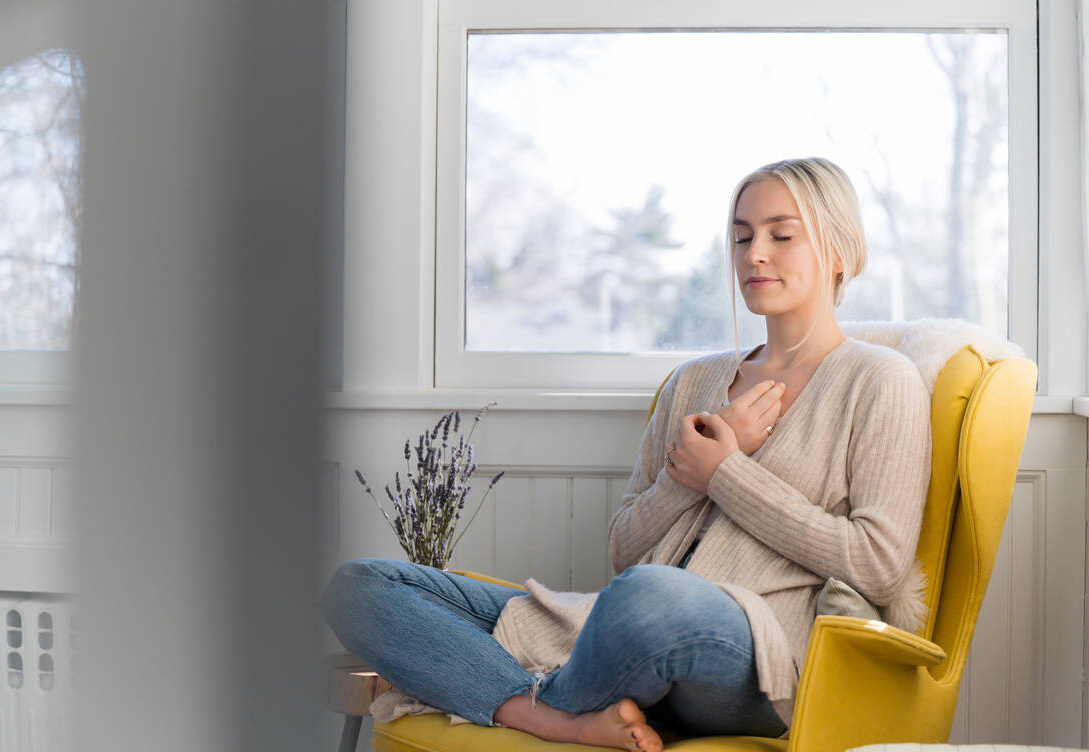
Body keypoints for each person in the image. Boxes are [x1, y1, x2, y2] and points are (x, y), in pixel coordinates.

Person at [319, 157, 932, 752]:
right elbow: (625, 548)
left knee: (651, 596)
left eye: (781, 235)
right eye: (742, 236)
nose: (754, 254)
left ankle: (530, 695)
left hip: (753, 657)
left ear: (840, 252)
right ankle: (550, 718)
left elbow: (877, 563)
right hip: (617, 623)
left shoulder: (881, 380)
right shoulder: (693, 381)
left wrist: (723, 472)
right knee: (360, 586)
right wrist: (684, 480)